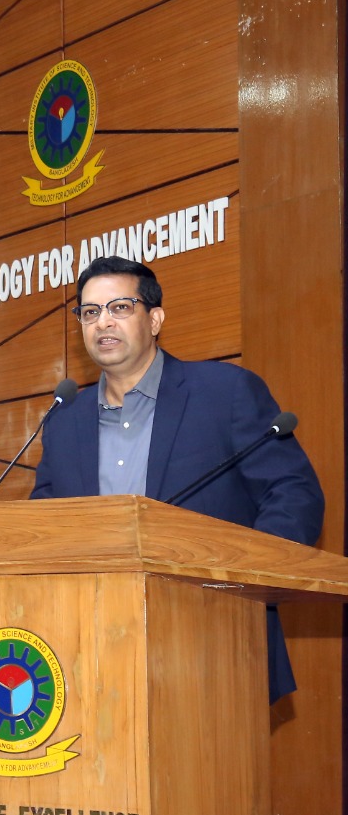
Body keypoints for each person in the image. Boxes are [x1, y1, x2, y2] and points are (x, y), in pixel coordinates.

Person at [32, 255, 324, 701]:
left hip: (216, 645)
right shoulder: (64, 420)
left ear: (155, 320)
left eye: (120, 307)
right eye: (89, 312)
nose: (102, 322)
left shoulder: (224, 392)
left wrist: (244, 582)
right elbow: (42, 526)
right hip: (90, 654)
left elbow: (293, 494)